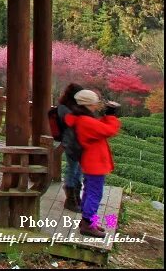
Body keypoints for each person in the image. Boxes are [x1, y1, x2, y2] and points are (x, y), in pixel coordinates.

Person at [65, 89, 121, 237]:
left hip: (90, 162)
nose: (97, 106)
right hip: (94, 163)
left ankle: (88, 221)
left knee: (90, 191)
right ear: (88, 104)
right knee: (95, 193)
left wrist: (107, 116)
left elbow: (98, 127)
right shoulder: (85, 121)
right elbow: (109, 130)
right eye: (95, 103)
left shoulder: (81, 118)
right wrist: (111, 115)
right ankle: (88, 224)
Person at [54, 83, 85, 213]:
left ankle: (76, 197)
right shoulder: (65, 109)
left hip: (78, 143)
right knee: (72, 170)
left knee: (78, 171)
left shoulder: (68, 107)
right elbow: (70, 127)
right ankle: (70, 199)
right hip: (71, 144)